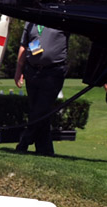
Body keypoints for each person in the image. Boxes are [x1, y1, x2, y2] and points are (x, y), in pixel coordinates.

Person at [14, 22, 68, 156]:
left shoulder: (61, 20)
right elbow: (24, 46)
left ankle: (25, 140)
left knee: (41, 109)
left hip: (53, 71)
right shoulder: (30, 23)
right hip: (32, 71)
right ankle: (45, 149)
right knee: (38, 111)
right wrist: (18, 70)